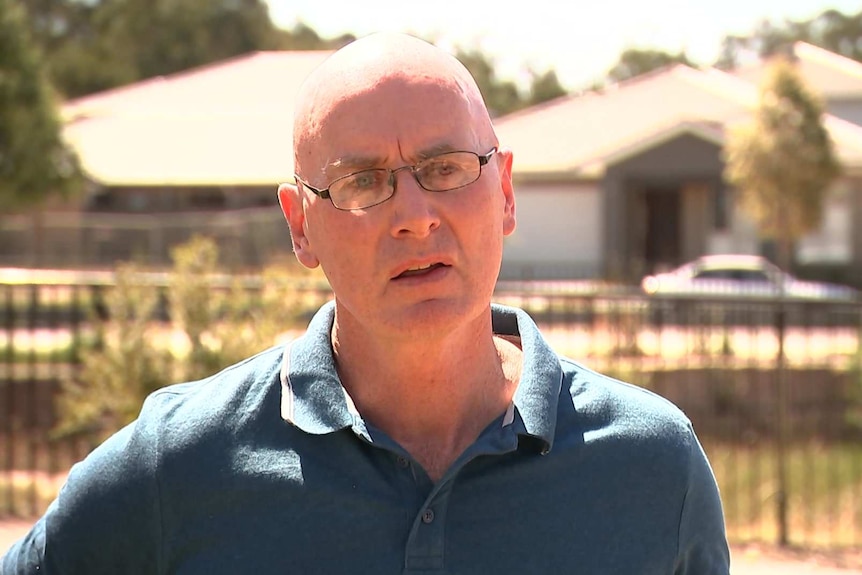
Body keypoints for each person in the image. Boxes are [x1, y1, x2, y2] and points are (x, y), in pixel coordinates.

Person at [2, 33, 729, 574]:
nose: (414, 215)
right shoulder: (178, 464)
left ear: (504, 191)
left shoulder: (652, 465)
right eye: (362, 181)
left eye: (446, 168)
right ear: (299, 224)